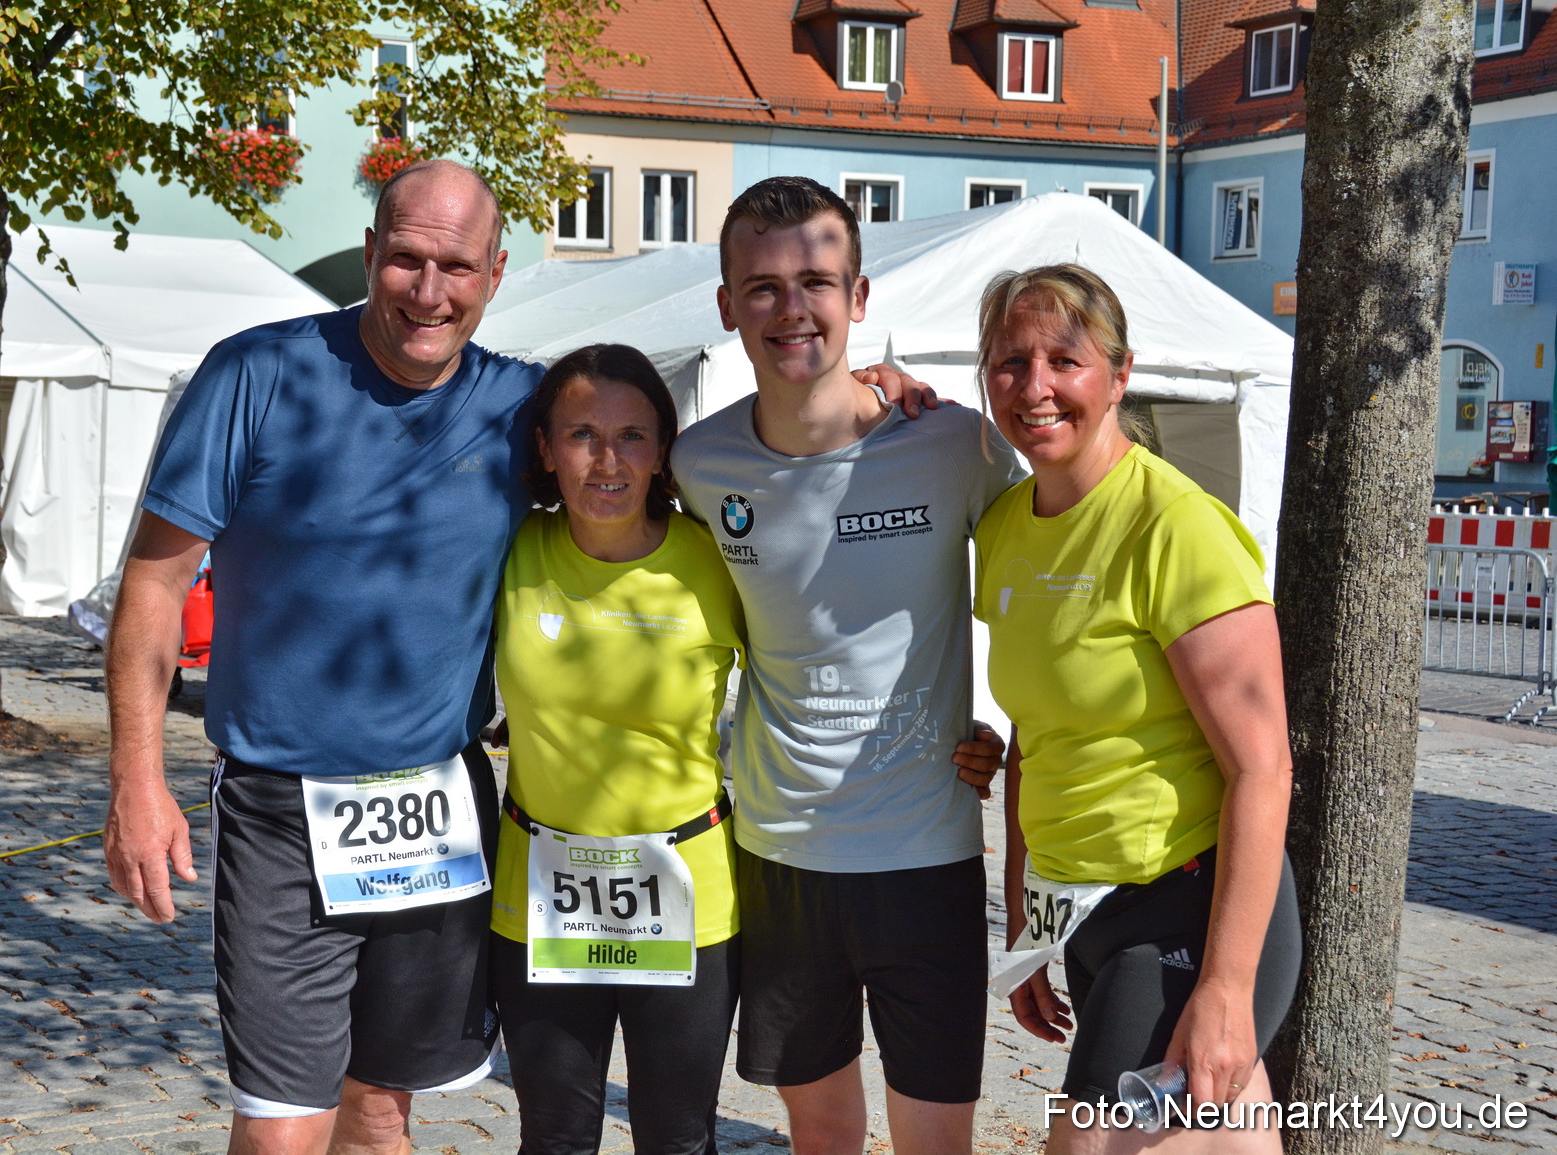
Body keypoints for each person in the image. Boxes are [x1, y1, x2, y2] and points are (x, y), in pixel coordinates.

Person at [102, 157, 939, 1155]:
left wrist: (862, 398)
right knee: (285, 1122)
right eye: (405, 260)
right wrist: (137, 779)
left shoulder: (517, 407)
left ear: (495, 274)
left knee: (382, 1108)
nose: (428, 289)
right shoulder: (255, 375)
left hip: (442, 807)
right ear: (370, 256)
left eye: (455, 266)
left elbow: (757, 553)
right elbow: (154, 583)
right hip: (286, 806)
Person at [671, 176, 1019, 1155]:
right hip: (780, 864)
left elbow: (1056, 583)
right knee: (821, 1139)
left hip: (928, 863)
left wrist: (1018, 737)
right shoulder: (698, 468)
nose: (793, 309)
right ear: (728, 305)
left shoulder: (954, 444)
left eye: (817, 281)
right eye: (764, 287)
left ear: (858, 298)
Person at [962, 264, 1300, 1154]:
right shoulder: (1002, 529)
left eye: (1063, 359)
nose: (1034, 386)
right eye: (1008, 362)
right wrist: (1028, 931)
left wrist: (1224, 989)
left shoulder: (1174, 527)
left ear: (1119, 373)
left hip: (1187, 909)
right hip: (1083, 913)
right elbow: (1040, 736)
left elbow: (1263, 765)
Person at [490, 343, 743, 1155]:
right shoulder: (512, 550)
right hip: (540, 891)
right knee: (555, 1139)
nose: (608, 460)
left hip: (687, 892)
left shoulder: (716, 559)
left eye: (633, 435)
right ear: (545, 449)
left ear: (664, 449)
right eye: (582, 436)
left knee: (677, 1138)